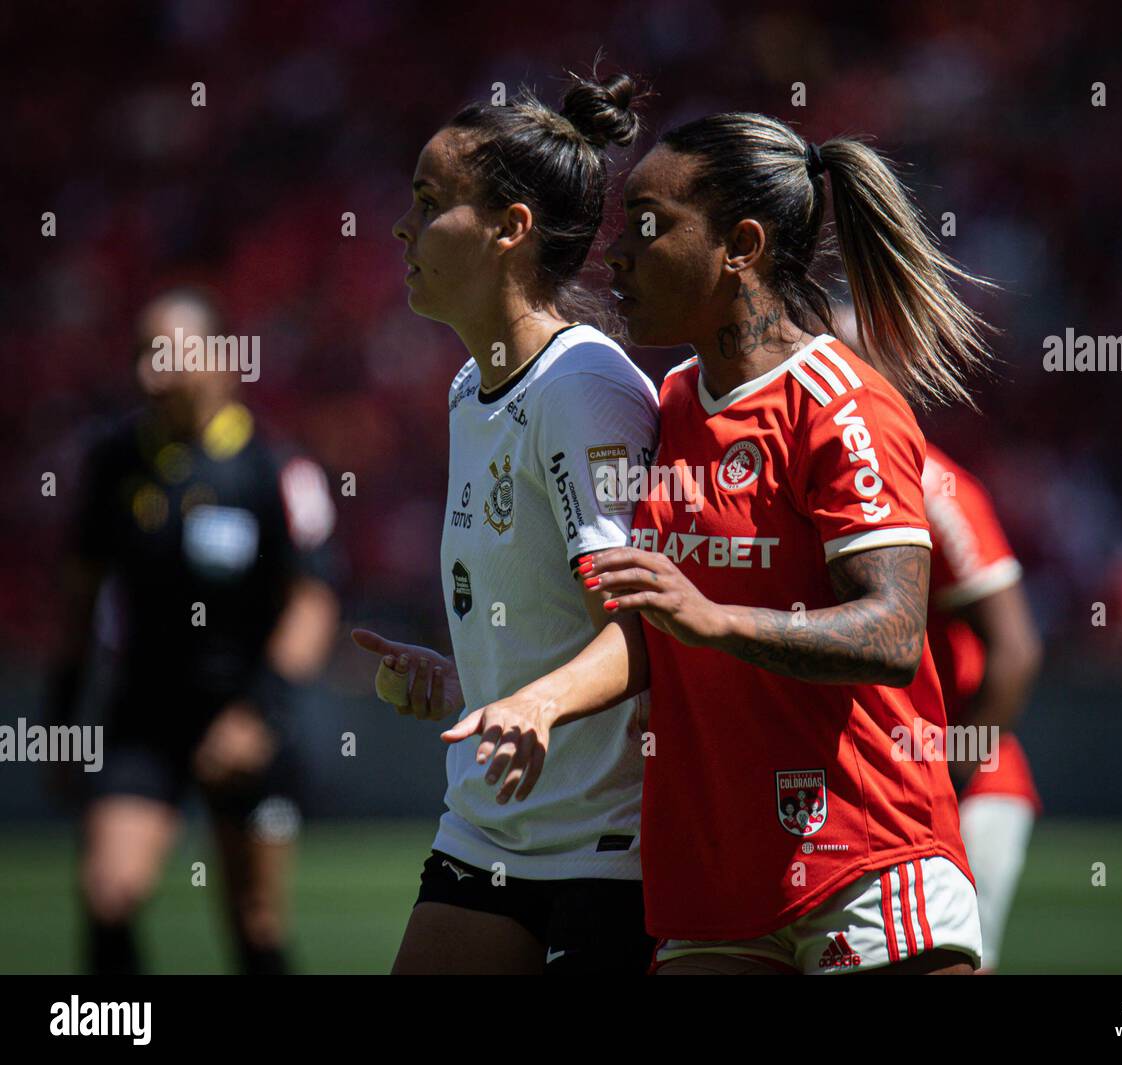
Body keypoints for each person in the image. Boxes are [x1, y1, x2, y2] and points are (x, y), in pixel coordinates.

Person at [443, 113, 995, 974]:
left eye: (650, 225)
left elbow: (892, 633)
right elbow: (634, 622)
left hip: (864, 854)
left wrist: (715, 619)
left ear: (740, 244)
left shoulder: (841, 404)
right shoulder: (666, 403)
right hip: (714, 878)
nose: (617, 253)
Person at [351, 70, 660, 975]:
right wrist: (468, 685)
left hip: (603, 851)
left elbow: (644, 628)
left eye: (430, 202)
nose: (403, 228)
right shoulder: (467, 388)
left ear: (511, 229)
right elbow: (549, 625)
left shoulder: (583, 390)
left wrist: (535, 701)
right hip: (486, 831)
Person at [47, 287, 340, 974]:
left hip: (249, 714)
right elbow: (79, 595)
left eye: (170, 354)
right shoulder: (114, 461)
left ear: (220, 359)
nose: (152, 372)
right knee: (108, 892)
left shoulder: (275, 467)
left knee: (255, 919)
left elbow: (312, 604)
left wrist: (256, 713)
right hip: (143, 713)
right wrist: (61, 716)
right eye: (142, 354)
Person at [922, 442, 1042, 972]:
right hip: (889, 784)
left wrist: (944, 782)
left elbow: (1016, 652)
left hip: (964, 790)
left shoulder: (932, 482)